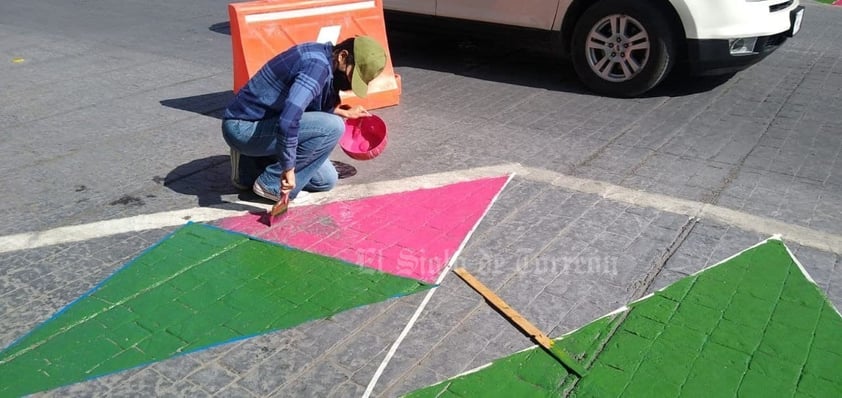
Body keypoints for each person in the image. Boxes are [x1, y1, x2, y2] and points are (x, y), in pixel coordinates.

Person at [221, 36, 387, 205]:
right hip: (243, 127)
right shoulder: (316, 67)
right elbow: (288, 120)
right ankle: (270, 184)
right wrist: (288, 168)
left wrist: (342, 112)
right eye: (352, 75)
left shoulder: (323, 56)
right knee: (333, 127)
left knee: (326, 180)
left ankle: (248, 167)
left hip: (265, 122)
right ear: (342, 56)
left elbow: (304, 103)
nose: (349, 83)